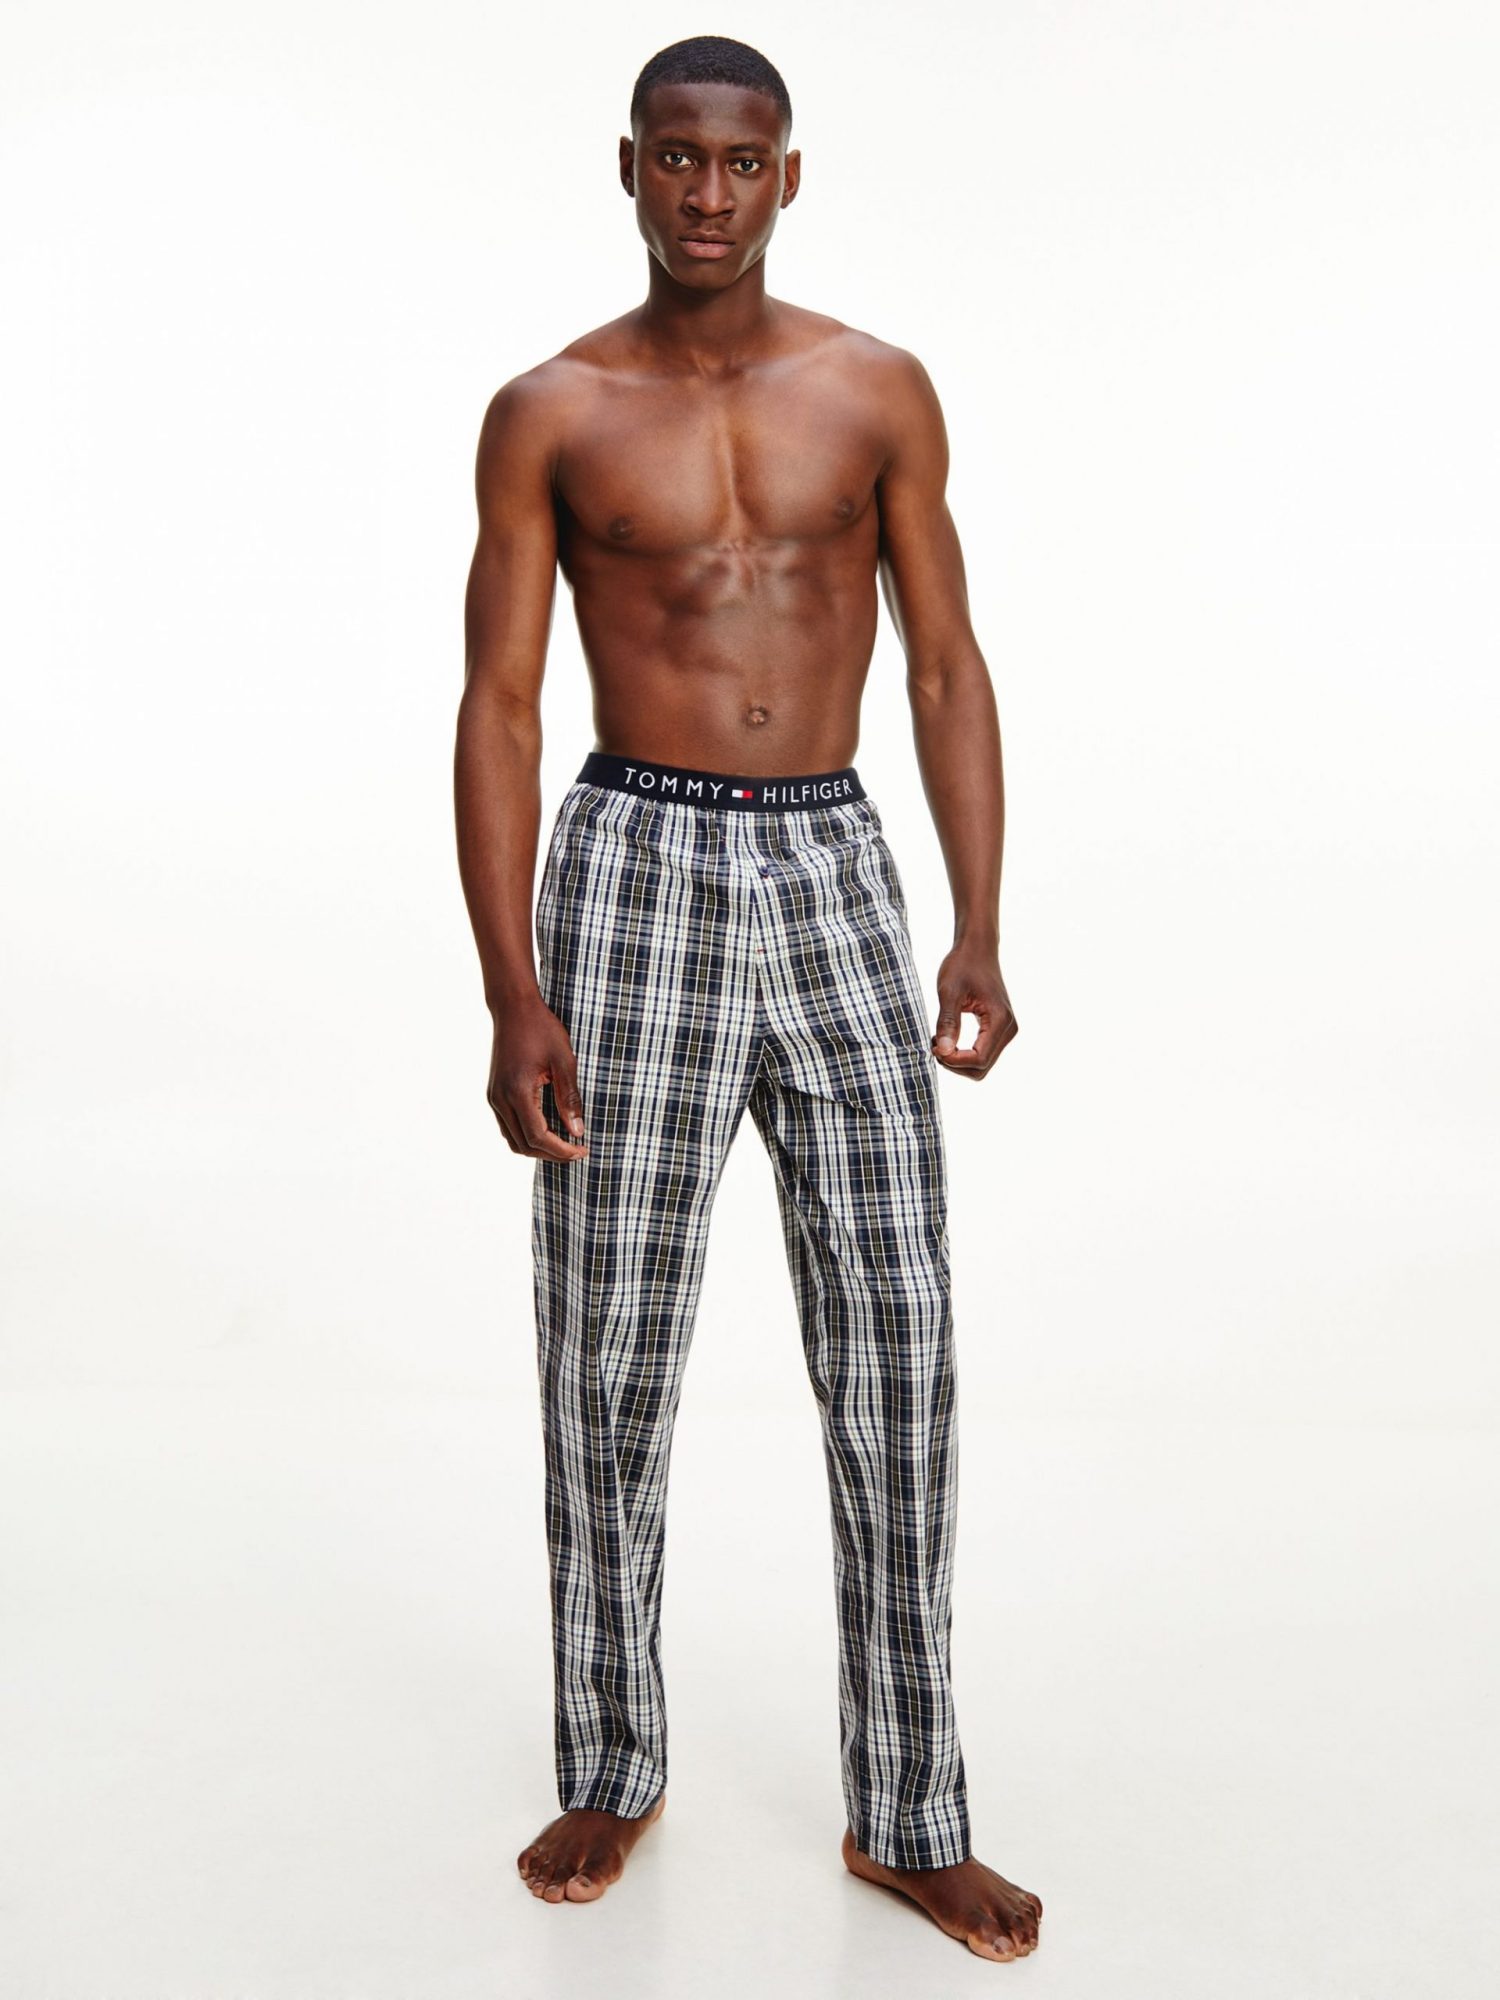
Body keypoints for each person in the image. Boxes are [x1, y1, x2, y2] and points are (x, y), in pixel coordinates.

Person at [454, 33, 1040, 1965]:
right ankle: (611, 1761)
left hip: (836, 866)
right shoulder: (550, 410)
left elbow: (945, 663)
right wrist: (512, 989)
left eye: (741, 162)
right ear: (628, 167)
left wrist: (976, 922)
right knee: (607, 1351)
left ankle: (913, 1812)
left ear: (790, 177)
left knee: (897, 1344)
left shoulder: (875, 389)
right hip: (632, 863)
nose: (708, 193)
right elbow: (501, 705)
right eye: (677, 158)